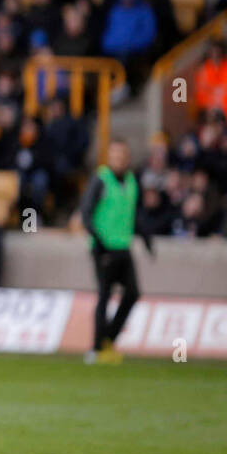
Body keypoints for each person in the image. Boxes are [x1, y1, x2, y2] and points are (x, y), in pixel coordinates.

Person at [79, 139, 155, 365]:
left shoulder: (132, 181)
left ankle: (108, 339)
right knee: (104, 295)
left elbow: (133, 214)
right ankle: (95, 348)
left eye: (123, 155)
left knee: (132, 293)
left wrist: (146, 237)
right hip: (103, 248)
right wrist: (98, 241)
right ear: (109, 157)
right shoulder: (100, 180)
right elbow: (85, 213)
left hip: (123, 246)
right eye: (115, 155)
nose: (119, 159)